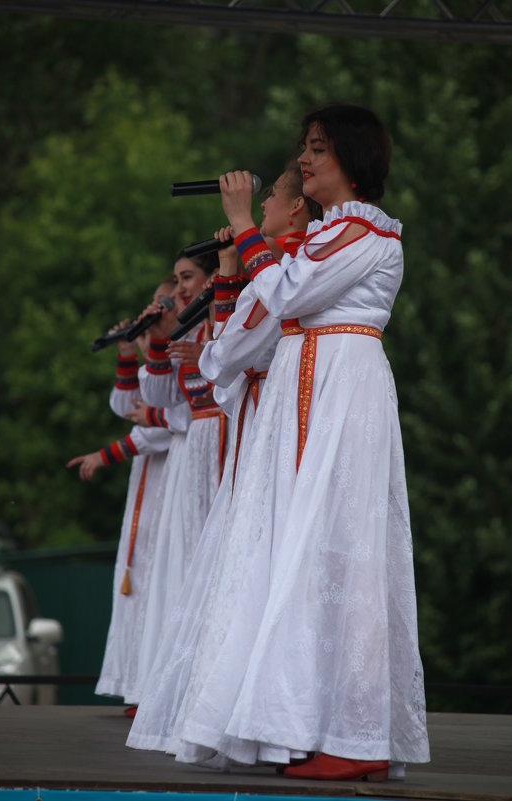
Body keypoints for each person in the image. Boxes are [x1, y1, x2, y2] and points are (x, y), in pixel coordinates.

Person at [139, 104, 430, 780]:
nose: (304, 160)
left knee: (345, 555)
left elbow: (292, 291)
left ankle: (357, 736)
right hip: (308, 385)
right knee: (301, 555)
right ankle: (302, 723)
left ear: (352, 159)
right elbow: (259, 321)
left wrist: (244, 228)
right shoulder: (332, 232)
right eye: (303, 147)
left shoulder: (366, 233)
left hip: (342, 387)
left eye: (319, 149)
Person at [126, 163, 320, 753]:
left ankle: (262, 723)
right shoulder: (274, 258)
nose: (257, 212)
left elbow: (233, 348)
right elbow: (229, 348)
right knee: (230, 565)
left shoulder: (292, 259)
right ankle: (239, 717)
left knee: (253, 562)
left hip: (267, 421)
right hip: (256, 418)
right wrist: (231, 267)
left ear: (293, 211)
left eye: (267, 206)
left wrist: (238, 252)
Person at [66, 279, 188, 708]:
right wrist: (125, 352)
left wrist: (104, 454)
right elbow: (125, 406)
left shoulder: (185, 351)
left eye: (163, 303)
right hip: (148, 478)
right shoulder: (161, 354)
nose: (154, 309)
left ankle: (152, 686)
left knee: (158, 574)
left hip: (175, 468)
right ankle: (137, 681)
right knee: (137, 576)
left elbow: (159, 428)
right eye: (154, 303)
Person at [123, 248, 223, 701]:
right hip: (190, 457)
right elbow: (161, 396)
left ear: (212, 279)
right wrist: (157, 341)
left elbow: (187, 410)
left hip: (216, 448)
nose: (179, 289)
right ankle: (173, 687)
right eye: (178, 279)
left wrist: (162, 417)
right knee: (178, 565)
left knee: (205, 562)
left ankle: (202, 688)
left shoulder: (220, 327)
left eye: (188, 278)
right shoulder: (190, 329)